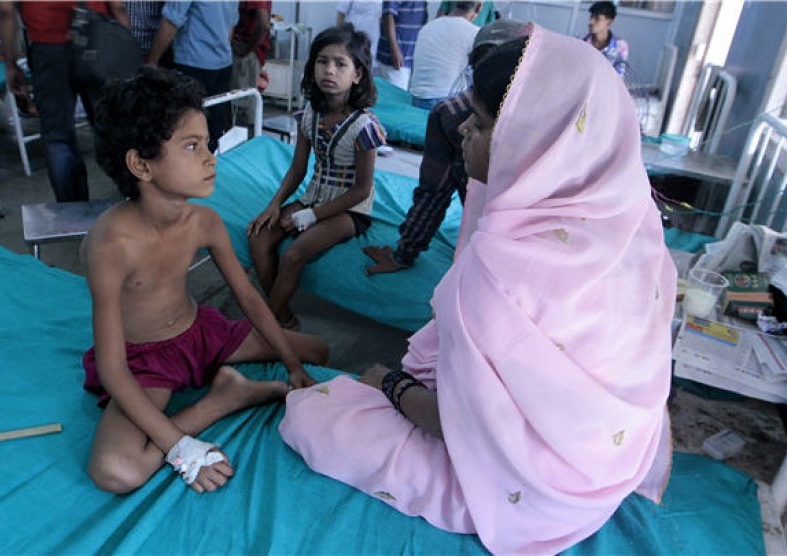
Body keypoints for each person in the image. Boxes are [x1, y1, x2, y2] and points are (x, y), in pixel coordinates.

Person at [281, 25, 676, 554]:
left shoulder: (499, 265)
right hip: (609, 457)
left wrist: (389, 385)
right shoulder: (637, 225)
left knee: (314, 417)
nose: (464, 128)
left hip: (538, 488)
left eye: (484, 122)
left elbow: (457, 425)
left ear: (539, 140)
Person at [82, 67, 329, 495]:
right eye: (192, 146)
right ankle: (224, 398)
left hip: (202, 334)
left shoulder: (204, 222)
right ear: (140, 164)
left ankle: (234, 381)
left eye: (208, 145)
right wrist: (183, 450)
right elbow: (112, 367)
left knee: (317, 352)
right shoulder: (110, 245)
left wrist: (291, 364)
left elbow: (250, 299)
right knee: (115, 470)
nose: (211, 158)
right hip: (146, 359)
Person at [248, 24, 386, 332]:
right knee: (258, 237)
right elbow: (298, 168)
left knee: (294, 254)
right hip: (313, 196)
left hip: (350, 209)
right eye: (322, 61)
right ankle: (281, 315)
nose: (329, 70)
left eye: (341, 64)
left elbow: (362, 190)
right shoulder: (310, 113)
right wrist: (275, 205)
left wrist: (310, 216)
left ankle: (264, 327)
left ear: (358, 74)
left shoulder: (364, 126)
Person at [364, 19, 525, 275]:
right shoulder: (452, 116)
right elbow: (433, 192)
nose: (467, 128)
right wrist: (404, 252)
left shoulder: (550, 124)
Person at [0, 1, 130, 202]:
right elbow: (117, 6)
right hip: (97, 41)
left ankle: (72, 211)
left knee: (58, 136)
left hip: (48, 50)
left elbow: (4, 10)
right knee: (113, 127)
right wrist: (125, 45)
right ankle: (134, 199)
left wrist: (11, 63)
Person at [146, 1, 238, 153]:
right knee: (213, 130)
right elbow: (231, 25)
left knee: (186, 130)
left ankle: (189, 172)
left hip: (194, 64)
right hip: (222, 64)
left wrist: (152, 61)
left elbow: (171, 21)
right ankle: (209, 169)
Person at [408, 1, 480, 110]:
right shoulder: (475, 33)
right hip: (444, 101)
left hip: (417, 98)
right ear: (478, 7)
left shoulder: (428, 27)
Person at [231, 1, 271, 126]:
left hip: (246, 55)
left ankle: (248, 143)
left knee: (242, 109)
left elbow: (263, 24)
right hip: (244, 51)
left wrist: (247, 49)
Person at [375, 1, 427, 90]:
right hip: (396, 59)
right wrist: (395, 49)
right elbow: (388, 16)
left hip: (409, 57)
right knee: (394, 97)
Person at [582, 0, 629, 77]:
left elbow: (619, 77)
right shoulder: (581, 42)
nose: (591, 22)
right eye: (591, 17)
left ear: (609, 22)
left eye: (597, 18)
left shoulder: (620, 46)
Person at [335, 0, 383, 70]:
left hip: (373, 39)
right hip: (352, 37)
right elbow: (341, 13)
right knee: (351, 65)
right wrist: (339, 37)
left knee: (368, 68)